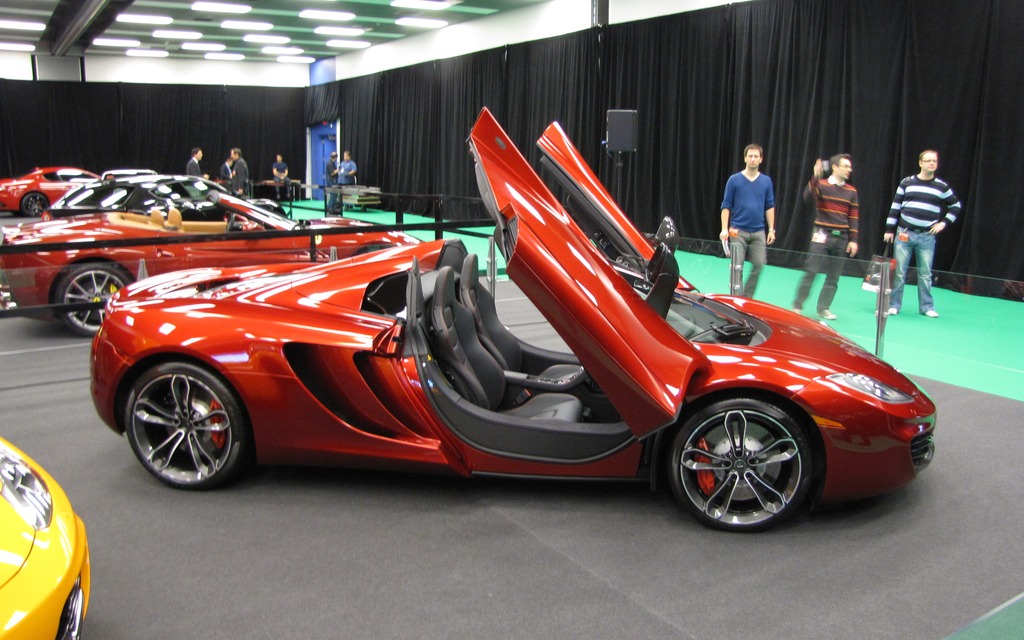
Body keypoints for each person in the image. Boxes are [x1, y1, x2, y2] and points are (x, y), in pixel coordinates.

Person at [884, 150, 962, 318]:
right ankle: (894, 305)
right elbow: (895, 206)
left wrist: (943, 223)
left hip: (927, 236)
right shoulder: (907, 182)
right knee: (899, 272)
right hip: (904, 233)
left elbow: (955, 206)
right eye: (928, 160)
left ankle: (926, 307)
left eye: (934, 161)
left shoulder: (941, 186)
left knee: (925, 274)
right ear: (920, 163)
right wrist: (889, 229)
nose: (932, 163)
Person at [792, 154, 859, 320]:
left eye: (850, 167)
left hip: (842, 237)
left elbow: (853, 216)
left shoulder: (852, 191)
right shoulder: (821, 184)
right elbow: (807, 197)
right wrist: (815, 177)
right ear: (835, 167)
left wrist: (853, 240)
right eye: (845, 166)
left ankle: (823, 308)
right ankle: (797, 305)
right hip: (821, 234)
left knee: (834, 276)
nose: (849, 169)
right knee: (812, 270)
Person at [719, 143, 776, 298]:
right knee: (736, 267)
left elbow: (769, 206)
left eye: (756, 156)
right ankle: (736, 299)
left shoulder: (766, 181)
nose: (752, 159)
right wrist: (724, 229)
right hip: (737, 231)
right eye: (750, 156)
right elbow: (726, 206)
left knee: (759, 264)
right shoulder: (734, 180)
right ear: (744, 158)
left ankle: (746, 298)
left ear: (761, 159)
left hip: (758, 232)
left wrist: (771, 229)